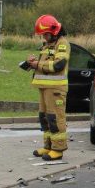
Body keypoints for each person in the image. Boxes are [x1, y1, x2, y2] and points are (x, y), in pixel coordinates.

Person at [28, 15, 71, 161]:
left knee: (55, 118)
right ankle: (47, 146)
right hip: (44, 88)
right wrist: (31, 63)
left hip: (56, 89)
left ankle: (57, 149)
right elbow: (43, 65)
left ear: (54, 32)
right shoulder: (47, 45)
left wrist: (37, 65)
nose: (44, 38)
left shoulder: (62, 44)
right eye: (43, 35)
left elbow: (58, 65)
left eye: (45, 34)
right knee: (44, 118)